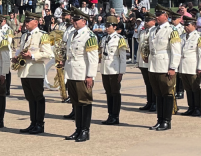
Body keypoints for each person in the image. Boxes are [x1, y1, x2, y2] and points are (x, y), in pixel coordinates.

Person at [61, 9, 99, 142]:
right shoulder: (72, 34)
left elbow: (93, 59)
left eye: (76, 20)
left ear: (84, 21)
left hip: (83, 73)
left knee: (85, 102)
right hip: (71, 72)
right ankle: (77, 129)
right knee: (76, 102)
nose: (73, 22)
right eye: (73, 19)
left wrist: (90, 76)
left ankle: (85, 130)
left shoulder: (89, 36)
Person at [16, 11, 54, 134]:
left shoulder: (42, 35)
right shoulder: (24, 35)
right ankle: (33, 123)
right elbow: (21, 49)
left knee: (38, 97)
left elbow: (48, 54)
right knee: (30, 98)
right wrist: (17, 57)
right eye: (25, 21)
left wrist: (32, 55)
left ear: (36, 22)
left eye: (28, 21)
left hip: (36, 71)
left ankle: (39, 124)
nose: (25, 23)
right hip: (25, 71)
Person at [147, 5, 182, 131]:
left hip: (165, 66)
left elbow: (176, 50)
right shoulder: (152, 30)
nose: (156, 16)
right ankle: (159, 120)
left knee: (166, 94)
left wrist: (173, 67)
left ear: (166, 16)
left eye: (159, 14)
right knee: (158, 94)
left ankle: (166, 121)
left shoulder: (171, 30)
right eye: (156, 14)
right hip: (153, 66)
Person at [98, 15, 127, 126]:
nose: (106, 28)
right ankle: (110, 114)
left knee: (115, 93)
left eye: (109, 26)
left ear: (114, 27)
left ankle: (115, 116)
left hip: (115, 69)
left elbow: (123, 57)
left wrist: (121, 72)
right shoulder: (104, 38)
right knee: (108, 92)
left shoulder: (120, 39)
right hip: (105, 69)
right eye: (106, 25)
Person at [179, 16, 201, 116]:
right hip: (183, 66)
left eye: (188, 25)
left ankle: (197, 108)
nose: (185, 27)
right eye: (184, 25)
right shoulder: (182, 36)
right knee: (187, 88)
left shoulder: (199, 36)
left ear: (194, 26)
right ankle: (190, 107)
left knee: (195, 87)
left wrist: (200, 67)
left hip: (193, 66)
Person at [137, 15, 156, 111]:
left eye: (148, 20)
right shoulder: (143, 31)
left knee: (153, 83)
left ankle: (154, 102)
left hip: (150, 60)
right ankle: (149, 102)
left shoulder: (155, 31)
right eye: (145, 20)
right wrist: (138, 61)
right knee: (147, 83)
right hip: (143, 61)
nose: (146, 22)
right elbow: (140, 46)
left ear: (153, 21)